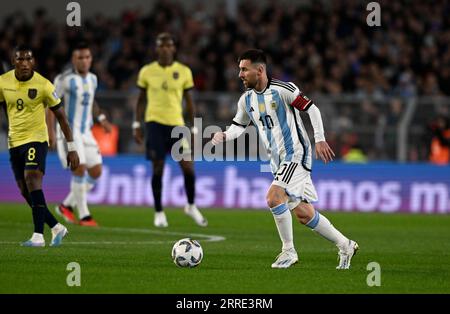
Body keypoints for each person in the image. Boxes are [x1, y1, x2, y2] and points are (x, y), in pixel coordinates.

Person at [211, 49, 358, 269]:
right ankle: (345, 244)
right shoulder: (246, 100)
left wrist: (319, 139)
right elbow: (239, 126)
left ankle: (288, 251)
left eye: (244, 69)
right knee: (303, 214)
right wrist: (224, 134)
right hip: (277, 160)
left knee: (273, 197)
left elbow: (312, 109)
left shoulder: (283, 91)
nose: (239, 74)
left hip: (295, 154)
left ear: (259, 70)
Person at [0, 44, 79, 246]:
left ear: (33, 61)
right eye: (20, 59)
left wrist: (71, 148)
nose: (25, 63)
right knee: (24, 190)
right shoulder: (3, 82)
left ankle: (37, 236)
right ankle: (56, 227)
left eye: (28, 59)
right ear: (13, 61)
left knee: (32, 178)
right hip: (14, 141)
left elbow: (61, 117)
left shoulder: (44, 85)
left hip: (36, 138)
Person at [133, 32, 207, 228]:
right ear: (157, 48)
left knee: (188, 167)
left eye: (168, 45)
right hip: (154, 123)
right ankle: (159, 212)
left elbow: (190, 102)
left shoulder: (184, 71)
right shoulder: (147, 71)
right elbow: (140, 100)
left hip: (177, 125)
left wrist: (195, 127)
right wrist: (136, 124)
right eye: (161, 45)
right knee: (158, 168)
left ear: (173, 48)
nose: (165, 49)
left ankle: (190, 205)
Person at [48, 42, 112, 227]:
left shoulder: (93, 78)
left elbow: (91, 101)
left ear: (91, 59)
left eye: (87, 57)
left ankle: (66, 205)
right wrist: (50, 130)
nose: (84, 61)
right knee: (80, 169)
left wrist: (102, 118)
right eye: (80, 57)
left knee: (96, 171)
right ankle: (85, 216)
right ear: (73, 59)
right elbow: (49, 105)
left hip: (86, 132)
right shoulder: (64, 79)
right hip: (69, 132)